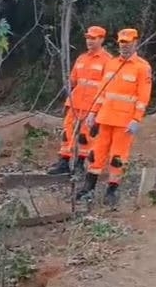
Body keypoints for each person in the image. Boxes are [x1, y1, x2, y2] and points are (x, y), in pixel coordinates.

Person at [75, 28, 153, 205]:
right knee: (96, 153)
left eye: (127, 42)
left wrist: (136, 119)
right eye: (121, 42)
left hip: (124, 121)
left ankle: (112, 190)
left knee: (118, 157)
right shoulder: (111, 64)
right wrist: (93, 112)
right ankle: (88, 187)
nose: (124, 46)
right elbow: (102, 91)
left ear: (136, 42)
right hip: (105, 117)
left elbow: (143, 97)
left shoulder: (142, 67)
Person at [47, 25, 112, 175]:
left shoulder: (107, 61)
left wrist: (98, 109)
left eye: (93, 38)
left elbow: (107, 87)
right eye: (88, 38)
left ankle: (80, 164)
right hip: (75, 103)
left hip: (92, 106)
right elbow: (73, 80)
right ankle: (64, 161)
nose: (89, 41)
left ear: (101, 39)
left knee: (85, 136)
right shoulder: (81, 58)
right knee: (67, 132)